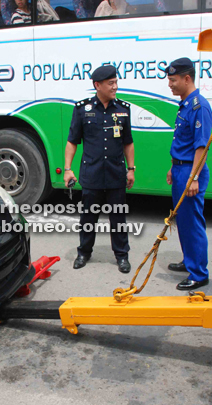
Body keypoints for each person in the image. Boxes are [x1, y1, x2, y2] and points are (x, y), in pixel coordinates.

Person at [64, 65, 135, 274]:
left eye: (116, 82)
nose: (115, 87)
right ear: (98, 85)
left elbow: (128, 143)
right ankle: (84, 252)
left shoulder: (123, 109)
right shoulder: (82, 109)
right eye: (110, 83)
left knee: (118, 218)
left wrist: (131, 169)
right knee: (88, 217)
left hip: (115, 174)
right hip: (92, 174)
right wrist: (68, 169)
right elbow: (72, 142)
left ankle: (122, 256)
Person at [164, 57, 212, 291]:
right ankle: (189, 261)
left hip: (191, 171)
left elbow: (201, 147)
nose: (170, 85)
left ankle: (199, 273)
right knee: (182, 221)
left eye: (173, 80)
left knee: (192, 223)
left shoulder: (199, 106)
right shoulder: (185, 104)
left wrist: (193, 177)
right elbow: (183, 143)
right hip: (181, 168)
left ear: (187, 78)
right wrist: (174, 167)